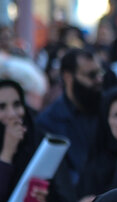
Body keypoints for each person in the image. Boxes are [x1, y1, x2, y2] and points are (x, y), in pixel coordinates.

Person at [35, 49, 103, 188]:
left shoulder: (107, 108)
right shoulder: (49, 121)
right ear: (68, 77)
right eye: (91, 75)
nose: (99, 80)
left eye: (100, 73)